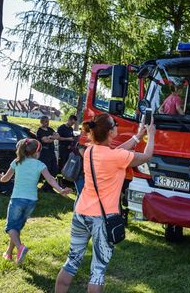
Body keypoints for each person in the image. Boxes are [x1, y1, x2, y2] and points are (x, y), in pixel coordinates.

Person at [55, 114, 155, 293]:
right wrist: (152, 135)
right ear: (111, 132)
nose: (117, 127)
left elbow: (117, 154)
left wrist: (137, 137)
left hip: (81, 212)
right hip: (102, 217)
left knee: (72, 261)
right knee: (98, 270)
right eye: (115, 125)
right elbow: (146, 155)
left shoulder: (89, 151)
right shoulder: (116, 157)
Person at [0, 138, 72, 264]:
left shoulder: (17, 162)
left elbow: (5, 179)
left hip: (17, 199)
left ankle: (20, 248)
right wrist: (60, 189)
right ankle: (9, 253)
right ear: (36, 153)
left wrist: (0, 178)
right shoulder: (40, 165)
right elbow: (51, 180)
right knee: (17, 227)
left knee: (11, 227)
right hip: (31, 201)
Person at [37, 116, 59, 192]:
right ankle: (43, 186)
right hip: (44, 153)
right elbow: (45, 141)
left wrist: (50, 137)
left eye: (48, 121)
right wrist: (52, 138)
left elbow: (58, 136)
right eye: (46, 121)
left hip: (51, 152)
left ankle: (47, 186)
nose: (47, 123)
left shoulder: (50, 129)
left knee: (55, 169)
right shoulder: (39, 131)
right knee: (47, 170)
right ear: (42, 122)